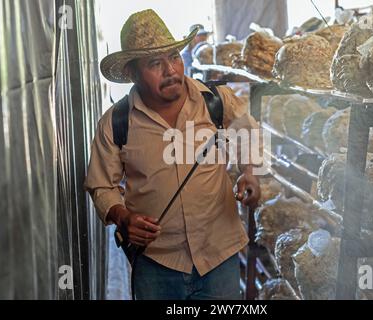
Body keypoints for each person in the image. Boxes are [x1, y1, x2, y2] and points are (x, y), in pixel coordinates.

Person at [85, 9, 261, 300]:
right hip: (157, 265)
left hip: (219, 258)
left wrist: (249, 173)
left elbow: (249, 133)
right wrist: (123, 217)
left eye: (174, 58)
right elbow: (101, 185)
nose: (171, 71)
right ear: (131, 73)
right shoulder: (116, 122)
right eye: (155, 63)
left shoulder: (215, 101)